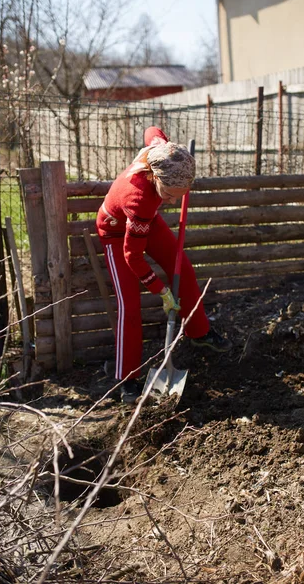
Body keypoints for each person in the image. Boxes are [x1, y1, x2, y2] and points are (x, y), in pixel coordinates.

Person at [96, 126, 232, 404]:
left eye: (179, 196)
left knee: (182, 266)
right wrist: (161, 291)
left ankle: (199, 332)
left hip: (145, 222)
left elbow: (151, 131)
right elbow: (132, 256)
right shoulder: (140, 198)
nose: (171, 201)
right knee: (129, 305)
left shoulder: (165, 154)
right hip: (115, 231)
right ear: (155, 177)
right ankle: (128, 379)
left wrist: (171, 145)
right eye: (169, 195)